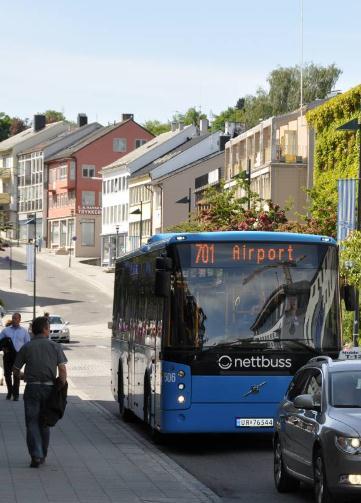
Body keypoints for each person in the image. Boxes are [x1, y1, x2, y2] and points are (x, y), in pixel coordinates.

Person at [13, 316, 67, 468]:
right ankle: (42, 453)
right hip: (50, 389)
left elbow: (15, 370)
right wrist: (60, 388)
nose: (49, 330)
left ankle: (35, 455)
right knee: (45, 422)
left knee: (31, 422)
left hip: (32, 388)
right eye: (48, 327)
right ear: (44, 329)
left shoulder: (27, 347)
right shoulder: (55, 347)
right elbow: (62, 371)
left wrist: (24, 376)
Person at [0, 312, 30, 400]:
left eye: (16, 318)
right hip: (8, 355)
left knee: (16, 375)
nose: (14, 320)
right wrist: (3, 348)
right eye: (13, 318)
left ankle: (16, 395)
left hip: (18, 356)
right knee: (7, 375)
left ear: (20, 320)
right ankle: (10, 391)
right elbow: (0, 342)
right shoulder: (6, 330)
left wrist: (25, 355)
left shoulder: (24, 331)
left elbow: (27, 344)